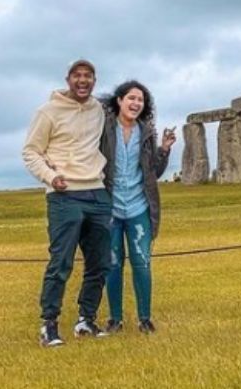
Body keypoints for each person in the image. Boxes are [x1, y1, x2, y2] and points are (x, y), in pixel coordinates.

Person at [23, 59, 112, 347]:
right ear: (68, 79)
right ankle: (49, 325)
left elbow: (126, 110)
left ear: (94, 81)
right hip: (64, 195)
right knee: (61, 262)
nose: (83, 81)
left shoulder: (98, 109)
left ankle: (86, 319)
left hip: (97, 193)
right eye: (77, 76)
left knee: (100, 262)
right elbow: (31, 152)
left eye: (88, 76)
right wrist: (51, 177)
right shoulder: (48, 112)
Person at [100, 80, 175, 334]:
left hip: (138, 206)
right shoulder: (105, 128)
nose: (136, 103)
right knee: (112, 263)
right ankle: (115, 319)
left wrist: (164, 149)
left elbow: (152, 172)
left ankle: (145, 319)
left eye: (140, 100)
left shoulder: (147, 132)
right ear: (119, 101)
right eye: (131, 98)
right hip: (110, 206)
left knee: (142, 262)